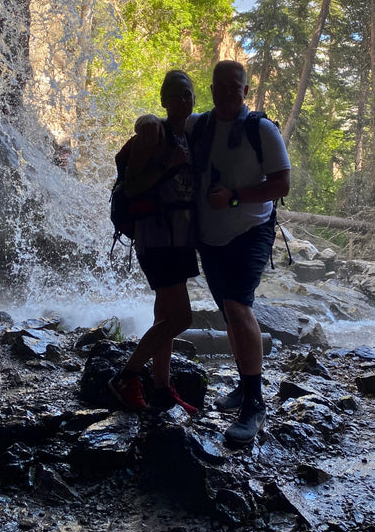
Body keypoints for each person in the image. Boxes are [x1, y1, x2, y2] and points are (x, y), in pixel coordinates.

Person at [190, 60, 290, 444]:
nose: (229, 92)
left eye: (236, 86)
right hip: (210, 237)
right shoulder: (199, 126)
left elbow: (281, 184)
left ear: (246, 91)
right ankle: (243, 385)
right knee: (228, 313)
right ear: (212, 89)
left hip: (251, 230)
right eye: (221, 85)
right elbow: (163, 131)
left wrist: (233, 198)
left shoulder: (261, 129)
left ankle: (255, 403)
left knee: (237, 306)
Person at [108, 70, 199, 416]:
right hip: (157, 238)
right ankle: (127, 376)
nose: (182, 100)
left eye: (188, 94)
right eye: (175, 95)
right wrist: (165, 163)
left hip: (179, 239)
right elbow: (132, 187)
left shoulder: (187, 134)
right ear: (163, 100)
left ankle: (161, 390)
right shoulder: (154, 134)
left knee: (165, 314)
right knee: (182, 318)